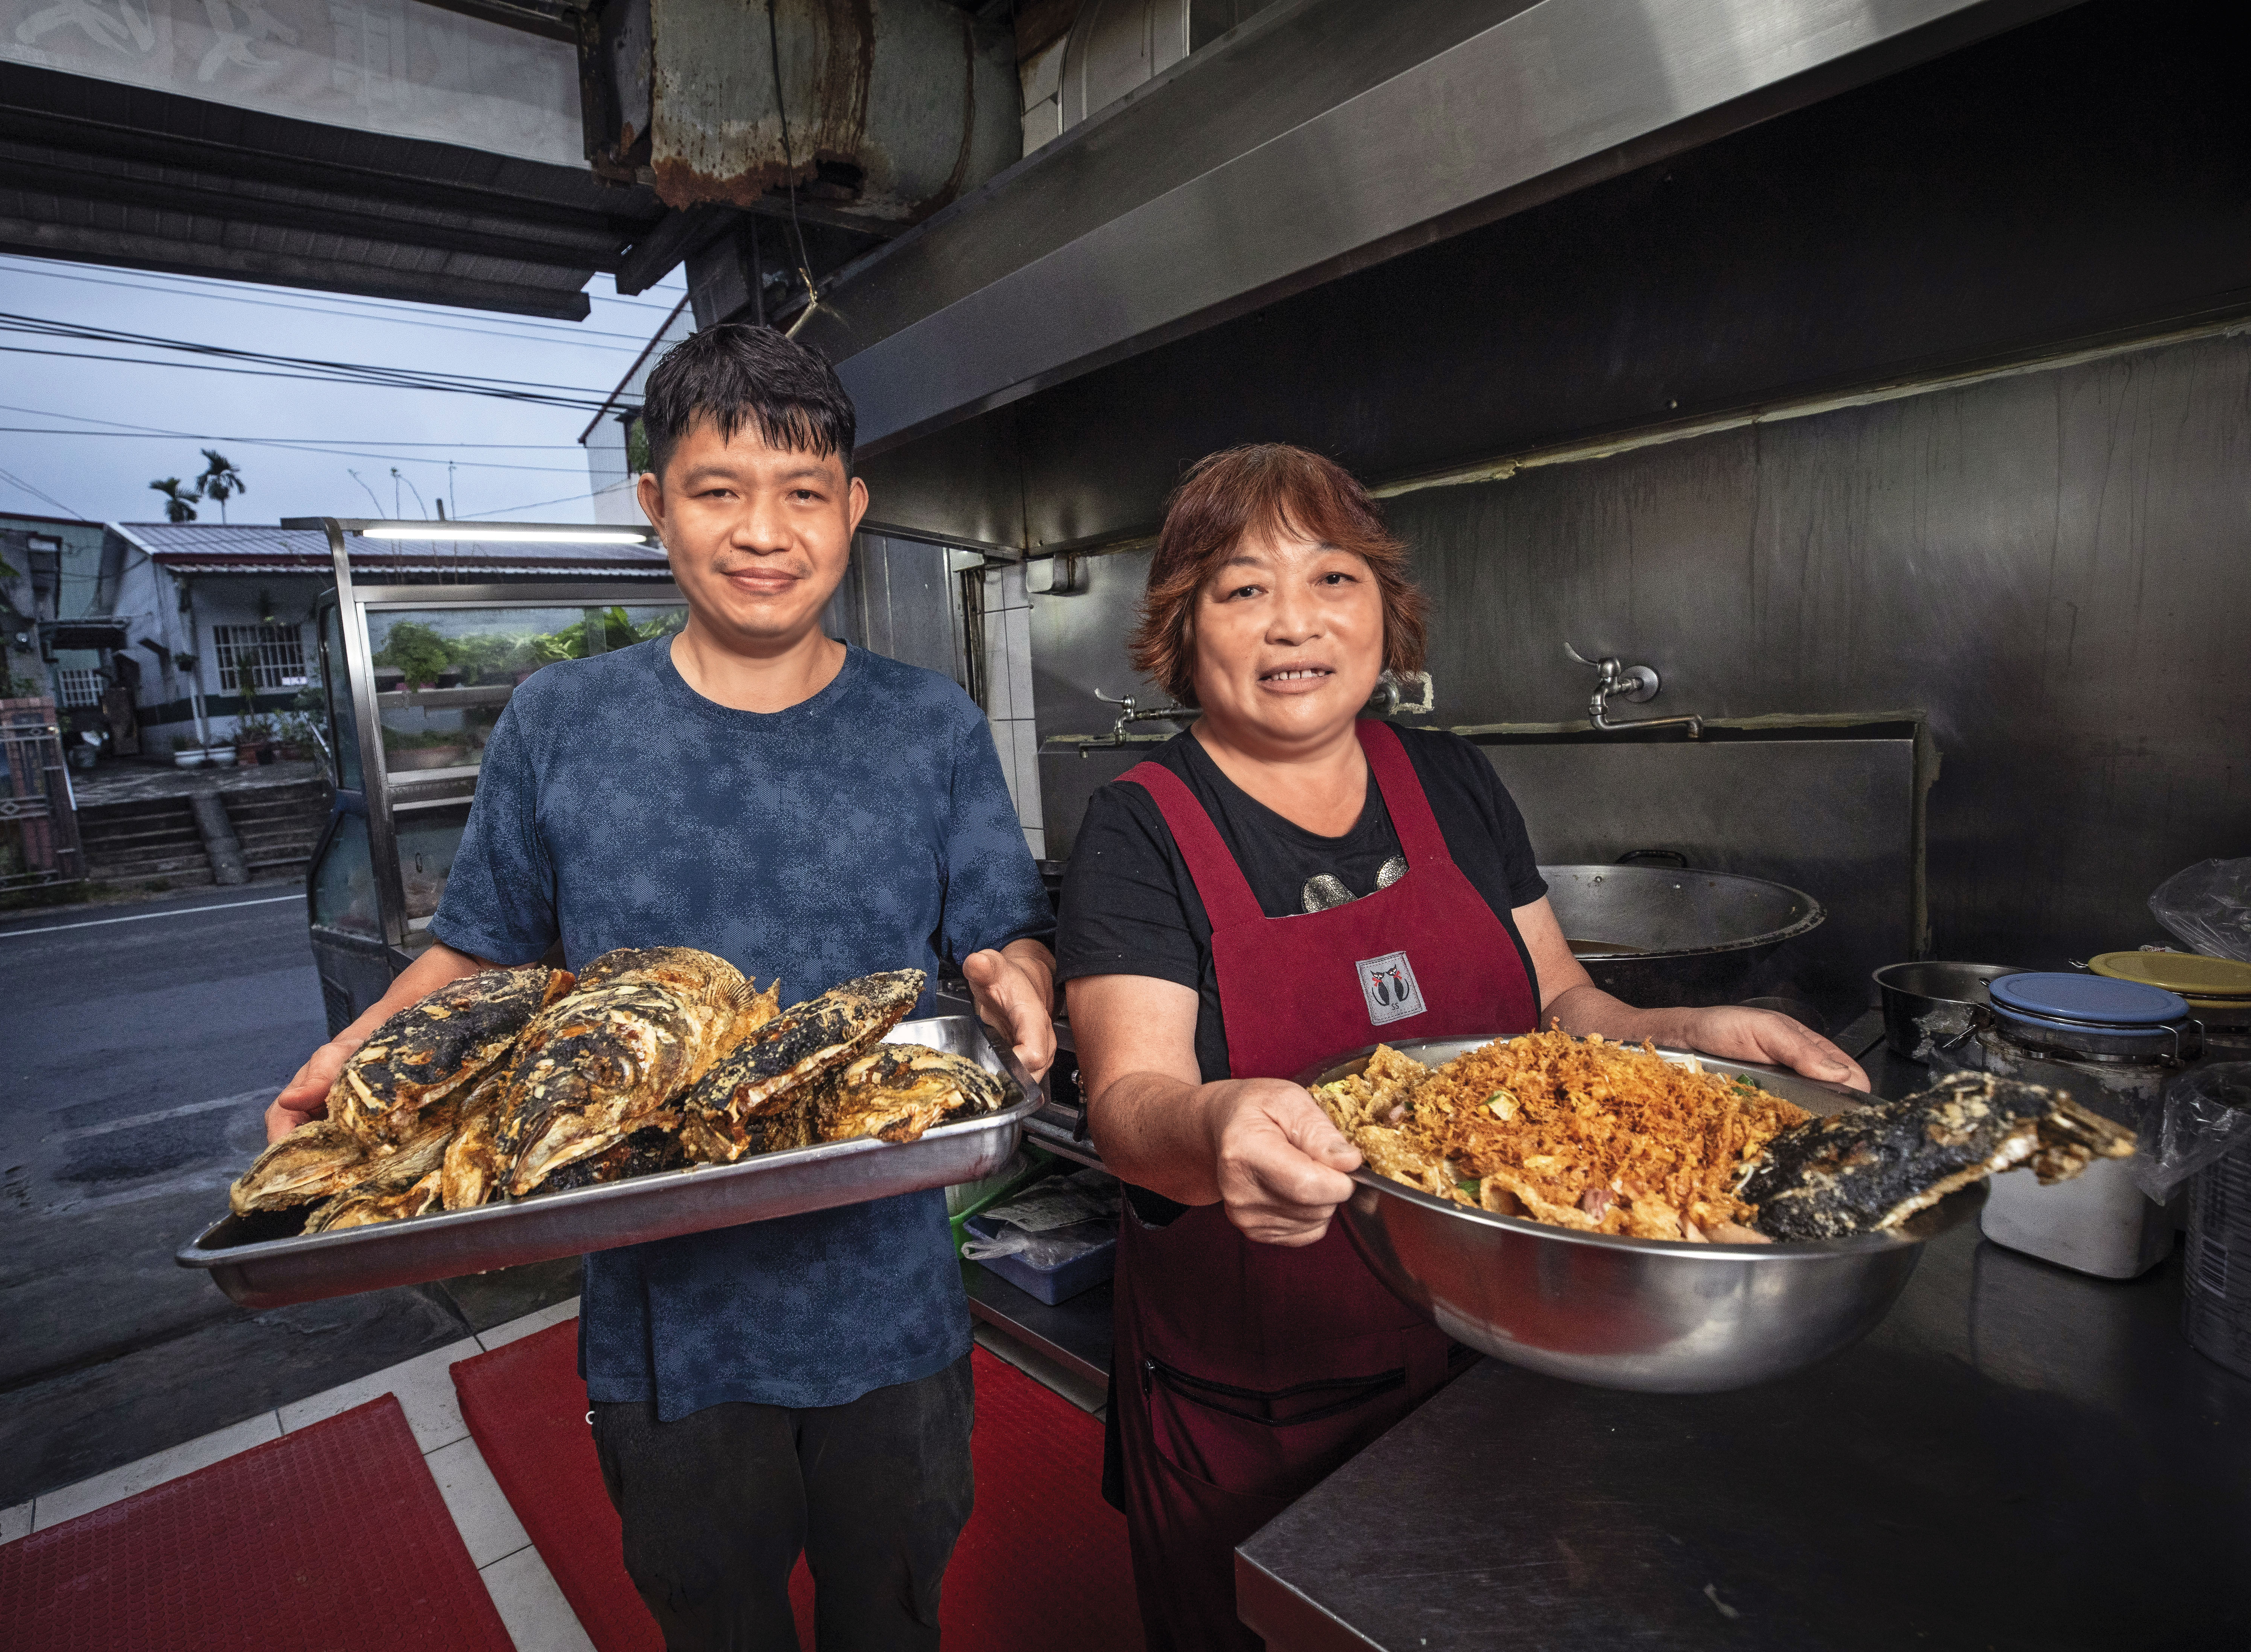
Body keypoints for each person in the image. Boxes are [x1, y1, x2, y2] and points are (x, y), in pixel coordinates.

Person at [264, 324, 1057, 1652]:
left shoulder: (932, 725)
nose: (764, 531)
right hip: (665, 1322)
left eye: (803, 494)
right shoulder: (563, 721)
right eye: (717, 490)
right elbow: (482, 956)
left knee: (895, 1615)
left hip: (892, 1300)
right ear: (654, 507)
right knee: (713, 1623)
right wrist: (355, 1062)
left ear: (851, 512)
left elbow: (1000, 931)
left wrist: (1017, 978)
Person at [1054, 444, 1865, 1652]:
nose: (1295, 622)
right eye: (1241, 588)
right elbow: (1132, 1102)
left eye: (1333, 578)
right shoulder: (1140, 826)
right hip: (1262, 1387)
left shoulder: (1451, 779)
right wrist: (1216, 1125)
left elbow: (1562, 1009)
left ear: (1383, 608)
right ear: (1184, 628)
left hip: (1498, 1364)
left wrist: (1680, 1037)